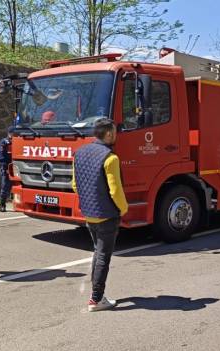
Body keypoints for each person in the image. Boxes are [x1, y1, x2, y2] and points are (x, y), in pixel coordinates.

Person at [71, 118, 128, 312]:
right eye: (115, 132)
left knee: (98, 251)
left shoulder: (79, 153)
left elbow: (74, 185)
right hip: (106, 215)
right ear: (109, 134)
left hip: (89, 213)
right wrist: (123, 208)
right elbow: (115, 190)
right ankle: (96, 299)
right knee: (104, 256)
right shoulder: (111, 158)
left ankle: (96, 295)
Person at [0, 126, 14, 212]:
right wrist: (6, 167)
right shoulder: (4, 142)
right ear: (9, 133)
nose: (13, 135)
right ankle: (2, 204)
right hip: (7, 167)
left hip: (16, 167)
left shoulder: (17, 141)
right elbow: (1, 156)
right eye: (12, 133)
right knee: (5, 187)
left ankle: (15, 202)